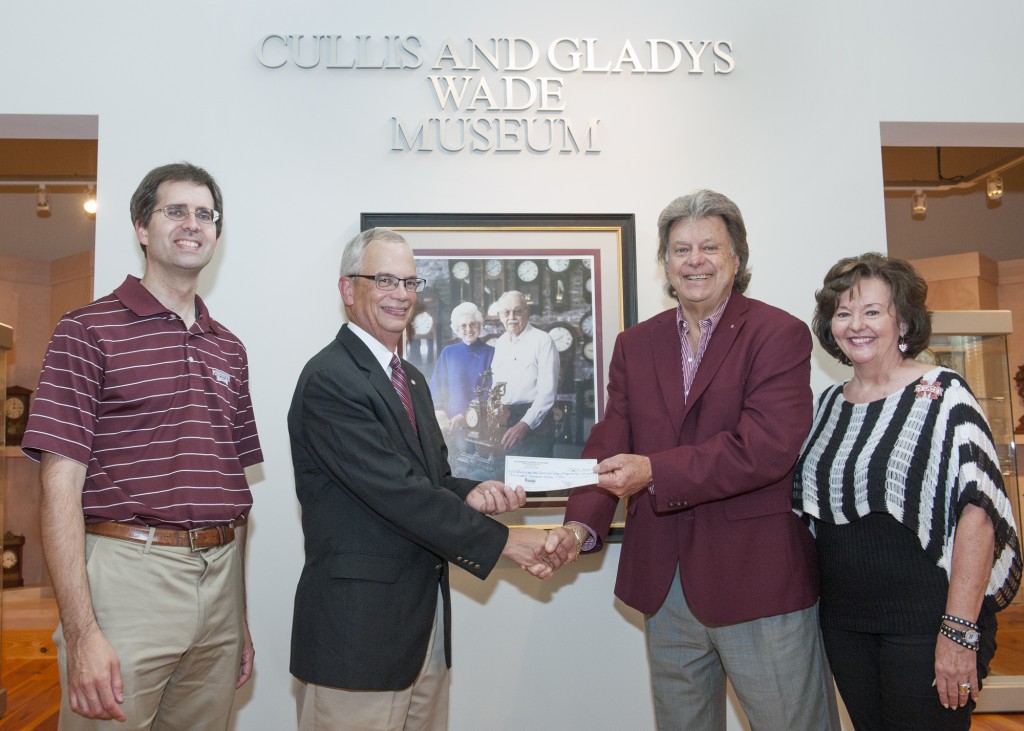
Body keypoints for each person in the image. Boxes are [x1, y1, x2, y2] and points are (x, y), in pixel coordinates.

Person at [553, 190, 840, 730]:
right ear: (664, 262)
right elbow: (610, 442)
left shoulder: (778, 334)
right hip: (665, 587)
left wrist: (655, 471)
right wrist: (576, 530)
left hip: (759, 583)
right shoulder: (636, 344)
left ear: (737, 258)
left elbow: (767, 448)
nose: (695, 260)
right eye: (681, 249)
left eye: (710, 246)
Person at [288, 228, 568, 731]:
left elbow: (430, 478)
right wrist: (507, 543)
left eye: (410, 282)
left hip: (424, 632)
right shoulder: (331, 379)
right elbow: (396, 494)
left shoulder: (409, 378)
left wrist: (471, 494)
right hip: (360, 638)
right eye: (385, 279)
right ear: (348, 289)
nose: (401, 294)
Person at [20, 162, 262, 728]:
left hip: (220, 584)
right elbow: (59, 489)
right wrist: (81, 634)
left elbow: (235, 489)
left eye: (205, 214)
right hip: (128, 578)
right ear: (141, 227)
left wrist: (239, 619)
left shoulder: (230, 349)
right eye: (175, 210)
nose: (192, 223)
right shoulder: (86, 330)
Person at [794, 252, 1022, 729]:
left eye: (872, 311)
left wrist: (958, 631)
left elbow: (978, 514)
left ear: (903, 322)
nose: (856, 324)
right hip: (845, 626)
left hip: (928, 622)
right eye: (843, 313)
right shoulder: (830, 404)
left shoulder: (943, 394)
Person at [490, 290, 559, 460]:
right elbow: (496, 385)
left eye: (517, 311)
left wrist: (524, 424)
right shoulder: (501, 343)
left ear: (527, 312)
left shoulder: (543, 341)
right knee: (504, 478)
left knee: (532, 482)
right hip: (505, 420)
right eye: (506, 312)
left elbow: (547, 393)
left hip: (535, 424)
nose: (511, 316)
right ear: (500, 316)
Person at [428, 301, 494, 468]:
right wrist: (441, 414)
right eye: (463, 325)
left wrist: (466, 416)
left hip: (481, 427)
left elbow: (491, 393)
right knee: (454, 469)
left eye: (472, 324)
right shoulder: (448, 353)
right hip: (451, 427)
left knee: (477, 470)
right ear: (457, 330)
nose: (468, 329)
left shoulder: (491, 353)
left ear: (479, 326)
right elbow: (436, 387)